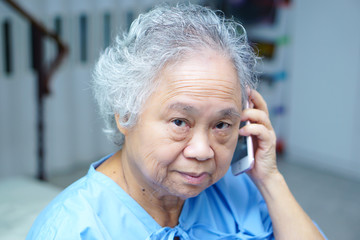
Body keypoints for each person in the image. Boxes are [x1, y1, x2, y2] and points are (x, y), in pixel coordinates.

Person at [27, 3, 327, 240]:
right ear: (125, 115)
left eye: (222, 124)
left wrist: (270, 179)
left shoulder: (239, 187)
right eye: (180, 122)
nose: (203, 151)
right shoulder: (73, 229)